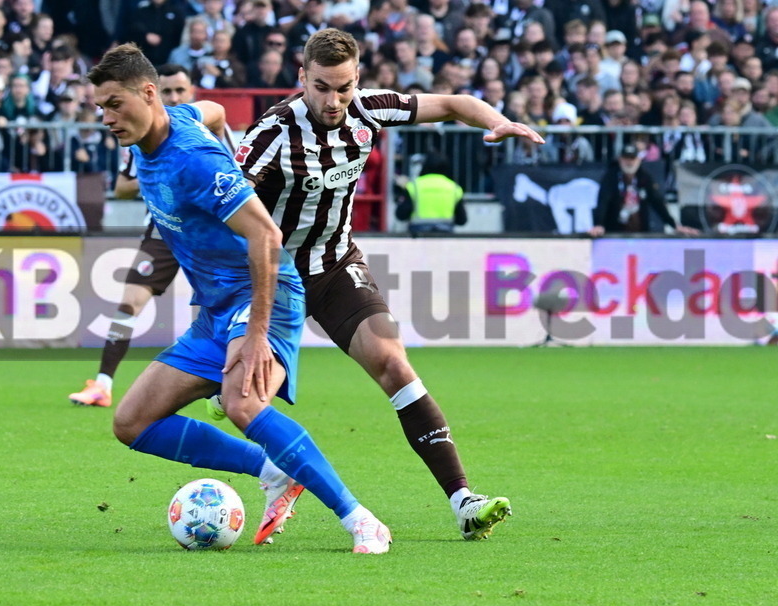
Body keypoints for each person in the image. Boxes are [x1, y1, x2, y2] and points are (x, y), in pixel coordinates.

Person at [237, 28, 546, 541]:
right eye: (322, 88)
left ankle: (463, 500)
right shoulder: (271, 134)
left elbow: (452, 102)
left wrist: (496, 122)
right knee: (241, 395)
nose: (334, 101)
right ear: (301, 79)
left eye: (344, 87)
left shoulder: (370, 108)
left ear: (357, 79)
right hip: (274, 277)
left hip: (335, 266)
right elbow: (229, 209)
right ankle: (275, 475)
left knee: (394, 364)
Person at [87, 43, 391, 553]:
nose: (107, 117)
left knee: (242, 403)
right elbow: (213, 111)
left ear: (147, 93)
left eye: (114, 103)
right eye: (100, 107)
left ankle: (360, 519)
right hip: (216, 310)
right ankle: (273, 469)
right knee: (131, 422)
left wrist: (254, 335)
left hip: (264, 294)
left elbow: (268, 238)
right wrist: (228, 137)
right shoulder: (163, 127)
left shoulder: (196, 162)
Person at [70, 64, 233, 407]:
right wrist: (160, 176)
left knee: (221, 306)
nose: (173, 98)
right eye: (168, 92)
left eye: (180, 92)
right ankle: (102, 384)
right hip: (164, 228)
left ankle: (223, 381)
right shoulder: (141, 137)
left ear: (191, 93)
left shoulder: (199, 130)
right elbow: (121, 187)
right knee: (130, 301)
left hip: (209, 232)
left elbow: (235, 164)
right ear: (155, 93)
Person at [589, 144, 700, 237]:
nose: (629, 162)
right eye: (626, 158)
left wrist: (674, 225)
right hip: (614, 233)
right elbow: (603, 201)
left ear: (639, 160)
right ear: (620, 159)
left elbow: (657, 202)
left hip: (640, 233)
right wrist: (599, 224)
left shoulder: (644, 178)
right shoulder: (611, 177)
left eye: (632, 158)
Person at [404, 151, 467, 235]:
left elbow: (401, 214)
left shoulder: (414, 186)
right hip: (445, 233)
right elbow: (462, 220)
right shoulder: (454, 188)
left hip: (418, 233)